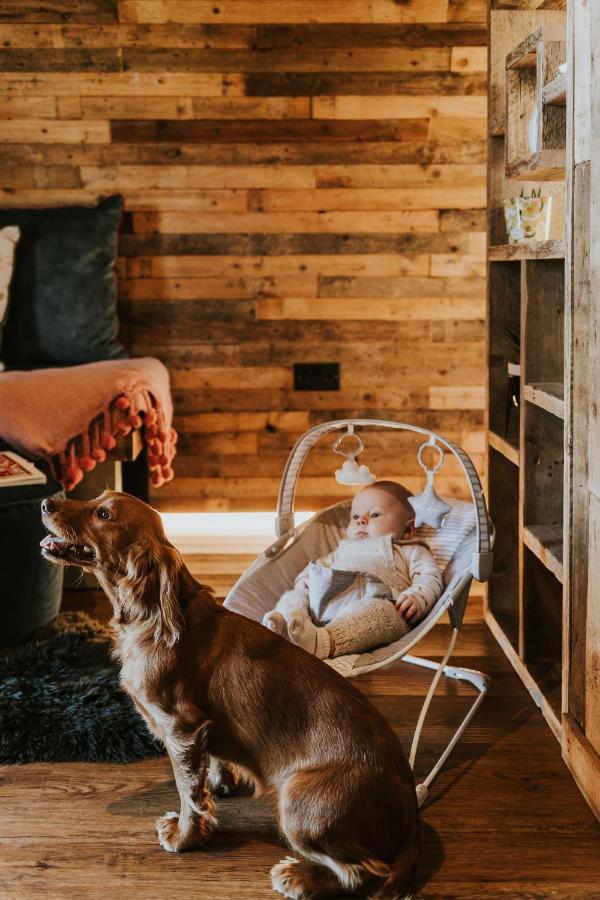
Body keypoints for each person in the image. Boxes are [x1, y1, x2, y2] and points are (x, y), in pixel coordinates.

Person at [262, 481, 444, 659]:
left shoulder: (410, 550)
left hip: (375, 603)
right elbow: (316, 566)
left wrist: (417, 597)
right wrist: (305, 582)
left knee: (380, 614)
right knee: (294, 596)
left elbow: (430, 577)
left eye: (374, 515)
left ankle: (323, 642)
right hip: (322, 604)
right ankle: (286, 626)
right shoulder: (342, 550)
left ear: (408, 529)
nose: (361, 521)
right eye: (355, 517)